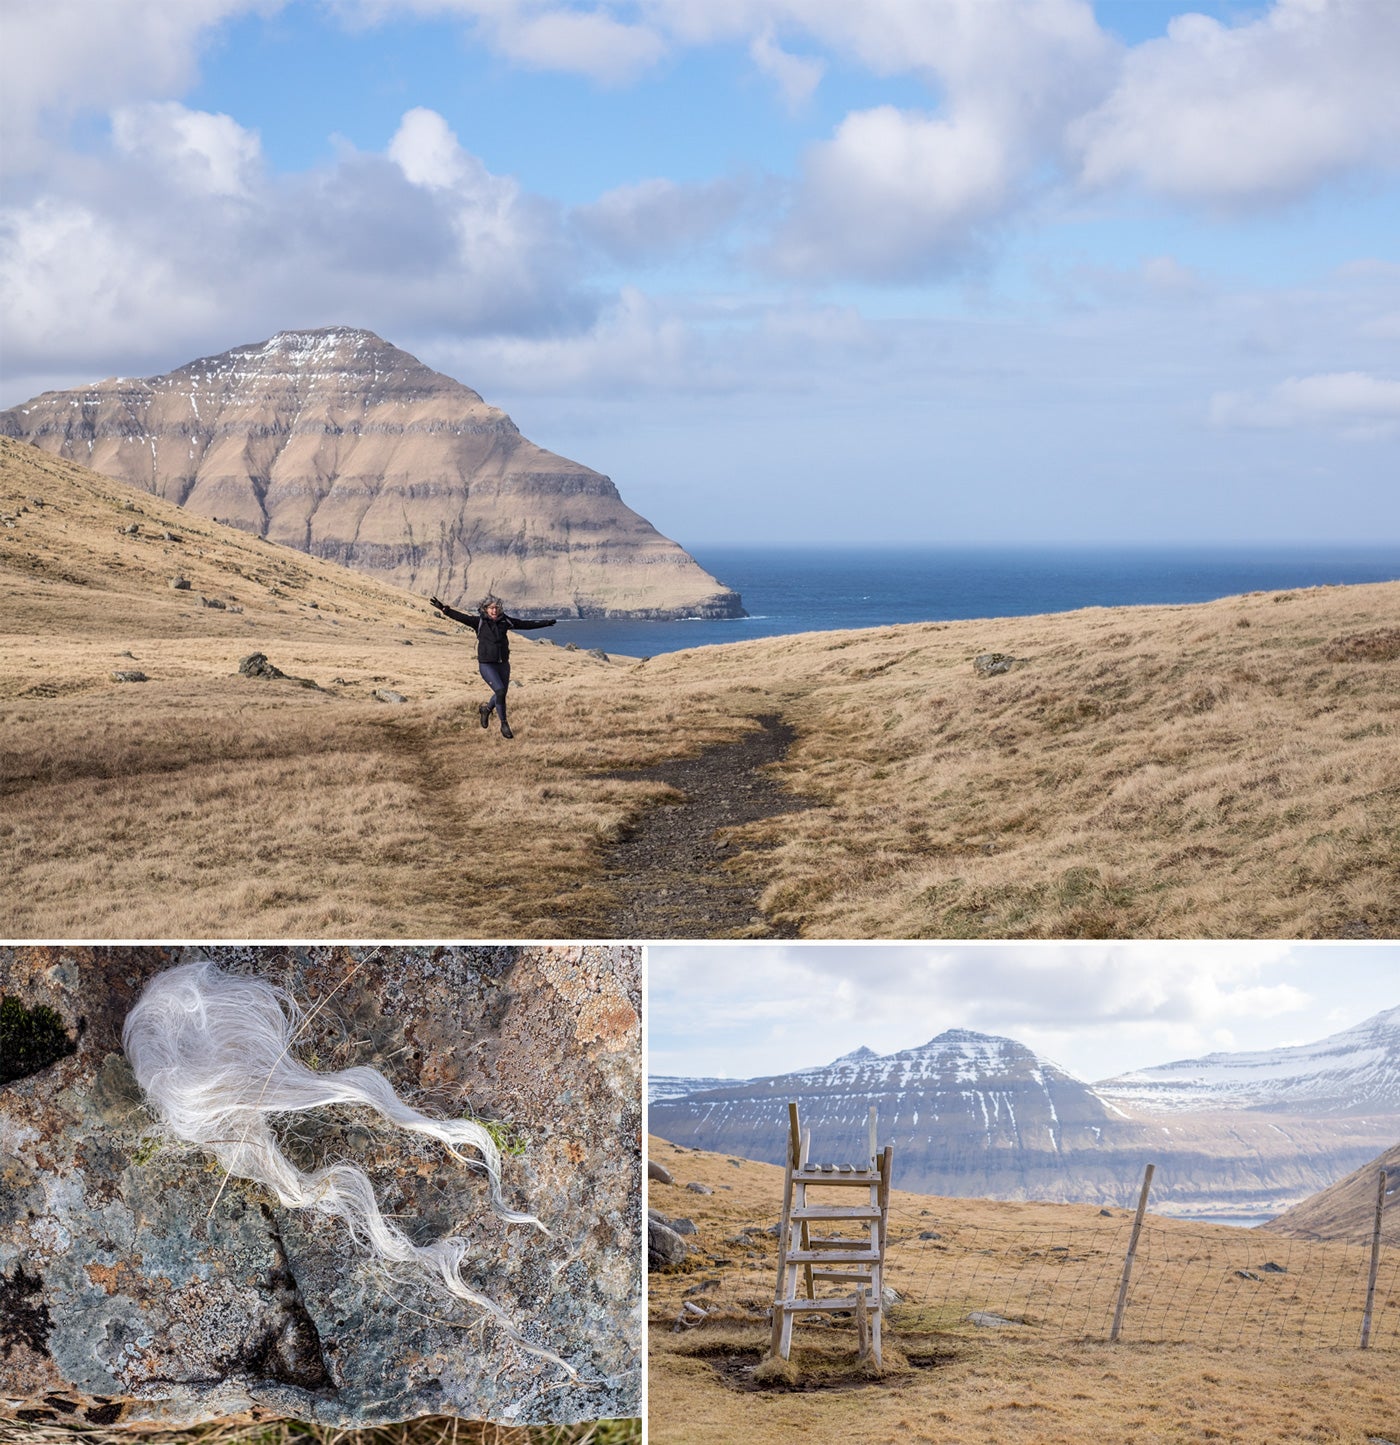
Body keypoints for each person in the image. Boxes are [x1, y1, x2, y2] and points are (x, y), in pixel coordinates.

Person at [429, 593, 556, 738]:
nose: (494, 610)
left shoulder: (505, 621)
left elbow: (524, 624)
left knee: (501, 693)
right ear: (485, 609)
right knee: (500, 691)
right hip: (487, 664)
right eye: (491, 608)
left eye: (497, 607)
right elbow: (460, 617)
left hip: (503, 664)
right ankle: (504, 724)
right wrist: (444, 609)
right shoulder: (478, 622)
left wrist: (545, 623)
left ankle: (486, 710)